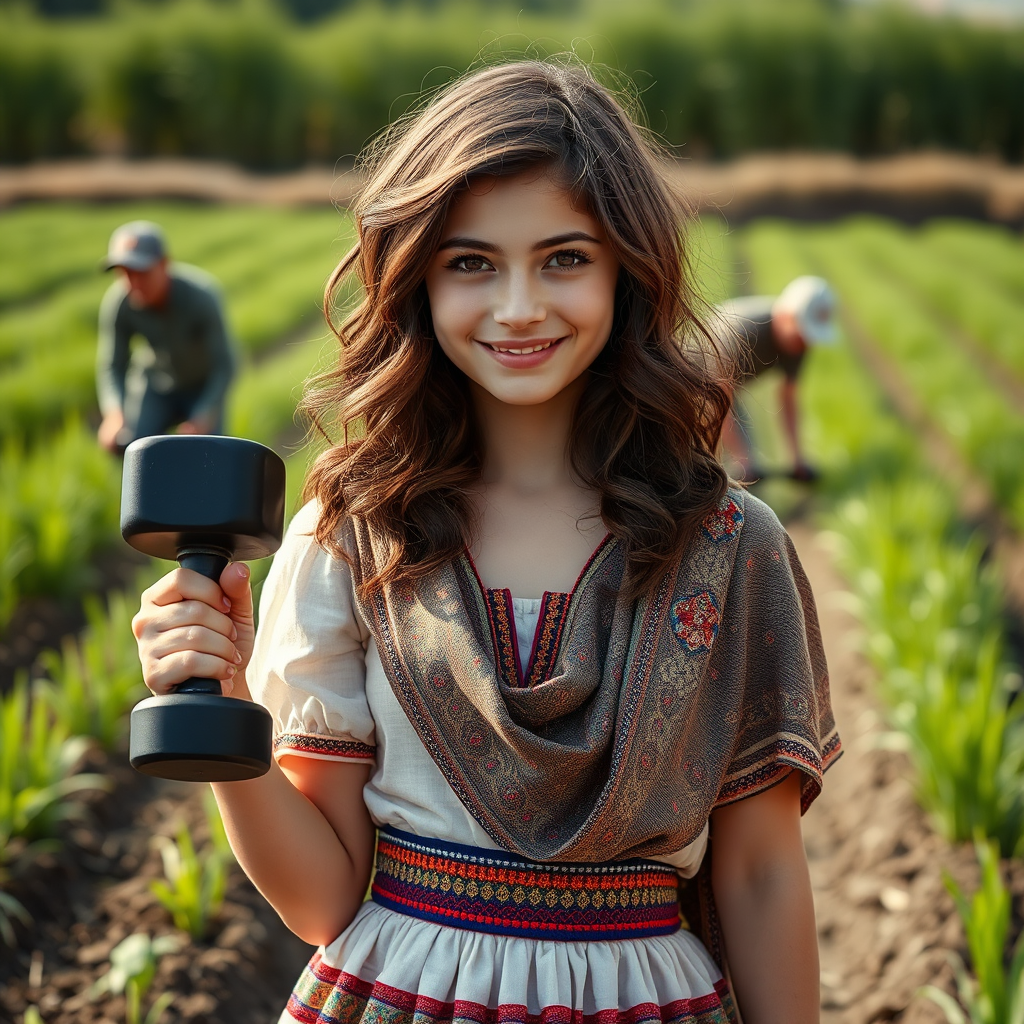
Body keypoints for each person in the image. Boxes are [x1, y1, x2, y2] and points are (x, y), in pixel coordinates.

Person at [132, 62, 840, 1024]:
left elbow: (760, 875)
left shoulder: (729, 547)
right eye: (472, 262)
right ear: (415, 276)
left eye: (564, 259)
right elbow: (321, 901)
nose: (517, 307)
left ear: (628, 272)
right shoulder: (353, 538)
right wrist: (222, 708)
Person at [95, 220, 237, 453]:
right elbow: (112, 365)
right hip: (155, 384)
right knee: (136, 452)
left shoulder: (201, 297)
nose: (133, 283)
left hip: (202, 386)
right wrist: (114, 412)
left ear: (164, 264)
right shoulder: (119, 303)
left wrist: (204, 413)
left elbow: (225, 365)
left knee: (209, 456)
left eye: (141, 272)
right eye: (125, 273)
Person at [714, 276, 838, 484]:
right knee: (730, 463)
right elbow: (717, 398)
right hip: (691, 384)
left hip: (725, 390)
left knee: (746, 462)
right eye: (801, 335)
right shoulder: (742, 330)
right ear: (784, 317)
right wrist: (742, 459)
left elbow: (788, 399)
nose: (804, 344)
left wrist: (798, 459)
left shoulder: (798, 342)